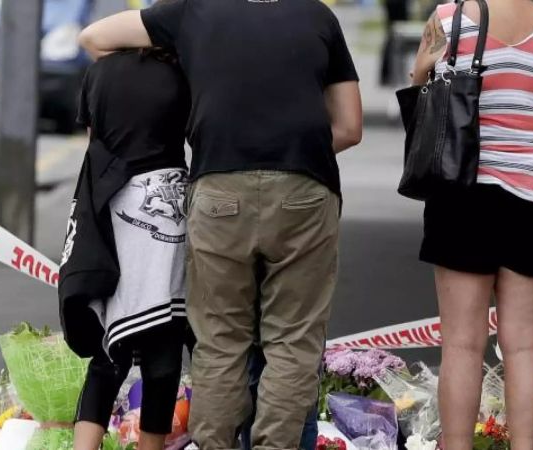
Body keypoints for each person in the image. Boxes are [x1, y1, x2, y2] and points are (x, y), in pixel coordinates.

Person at [78, 1, 363, 448]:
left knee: (219, 342)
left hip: (219, 190)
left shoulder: (193, 11)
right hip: (305, 191)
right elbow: (348, 127)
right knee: (292, 342)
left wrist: (174, 53)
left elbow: (93, 38)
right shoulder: (317, 15)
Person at [409, 1, 533, 449]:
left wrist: (423, 69)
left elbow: (420, 85)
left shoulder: (447, 19)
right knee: (523, 345)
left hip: (463, 192)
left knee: (462, 345)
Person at [57, 47, 192, 450]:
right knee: (164, 345)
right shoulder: (184, 70)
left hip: (112, 206)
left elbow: (93, 141)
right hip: (168, 207)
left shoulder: (100, 71)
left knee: (108, 345)